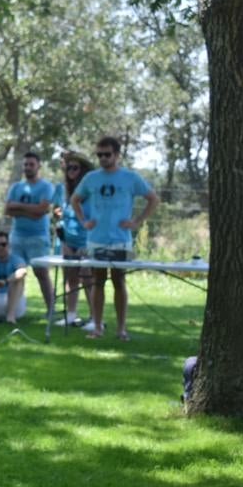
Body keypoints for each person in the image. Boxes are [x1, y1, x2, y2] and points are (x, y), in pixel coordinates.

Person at [71, 136, 160, 340]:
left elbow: (153, 199)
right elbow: (75, 199)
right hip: (96, 239)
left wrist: (137, 221)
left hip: (120, 239)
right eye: (99, 155)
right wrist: (84, 221)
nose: (103, 158)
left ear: (117, 155)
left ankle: (121, 329)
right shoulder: (91, 178)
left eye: (107, 154)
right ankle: (97, 327)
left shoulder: (130, 177)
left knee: (119, 281)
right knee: (98, 281)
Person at [4, 151, 55, 314]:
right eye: (25, 164)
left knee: (41, 273)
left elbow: (42, 209)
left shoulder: (46, 186)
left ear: (38, 166)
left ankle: (51, 309)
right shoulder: (16, 187)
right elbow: (7, 210)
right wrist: (30, 212)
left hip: (38, 237)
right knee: (17, 273)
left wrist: (18, 207)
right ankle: (15, 310)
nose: (28, 167)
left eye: (31, 164)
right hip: (17, 236)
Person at [53, 152, 94, 327]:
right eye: (68, 167)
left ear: (83, 170)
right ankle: (71, 315)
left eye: (75, 167)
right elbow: (56, 210)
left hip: (86, 240)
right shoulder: (61, 189)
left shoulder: (90, 190)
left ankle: (95, 318)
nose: (70, 171)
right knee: (70, 278)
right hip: (66, 239)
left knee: (88, 278)